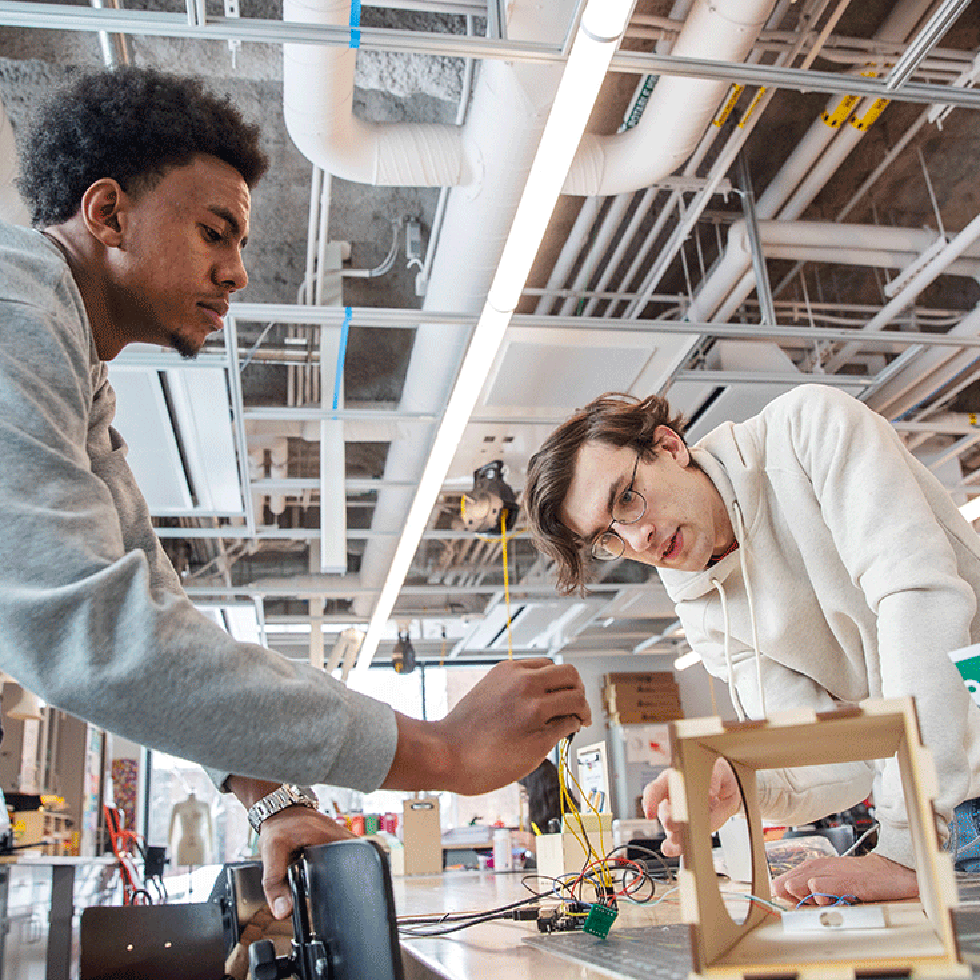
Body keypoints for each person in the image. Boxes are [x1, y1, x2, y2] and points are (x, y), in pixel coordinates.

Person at [0, 66, 590, 918]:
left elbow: (152, 606)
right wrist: (441, 751)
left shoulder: (74, 367)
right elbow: (86, 631)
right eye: (215, 233)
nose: (238, 273)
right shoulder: (15, 308)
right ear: (108, 213)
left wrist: (272, 797)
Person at [523, 384, 980, 906]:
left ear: (670, 446)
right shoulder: (701, 606)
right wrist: (742, 782)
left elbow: (920, 602)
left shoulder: (808, 430)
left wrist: (907, 843)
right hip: (955, 815)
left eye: (626, 498)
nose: (637, 540)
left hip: (937, 818)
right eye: (609, 537)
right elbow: (838, 755)